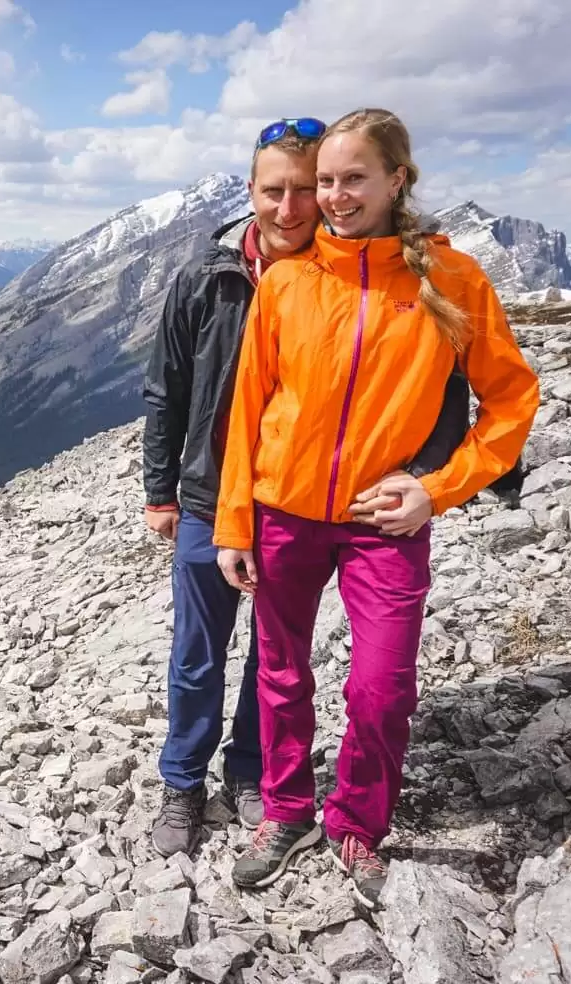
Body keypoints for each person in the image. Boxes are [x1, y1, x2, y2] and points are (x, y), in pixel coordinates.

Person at [212, 108, 540, 907]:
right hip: (284, 511)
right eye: (325, 180)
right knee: (281, 676)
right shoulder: (289, 281)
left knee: (382, 688)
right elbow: (247, 409)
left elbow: (511, 400)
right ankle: (287, 813)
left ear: (398, 179)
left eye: (353, 178)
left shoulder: (453, 280)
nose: (333, 196)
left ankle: (357, 822)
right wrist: (233, 524)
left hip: (381, 521)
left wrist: (437, 488)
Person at [141, 117, 324, 858]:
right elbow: (166, 391)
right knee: (196, 652)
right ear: (249, 192)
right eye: (274, 191)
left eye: (304, 191)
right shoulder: (205, 279)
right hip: (209, 496)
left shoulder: (335, 279)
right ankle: (182, 780)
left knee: (276, 653)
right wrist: (160, 492)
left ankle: (249, 769)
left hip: (292, 496)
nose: (289, 208)